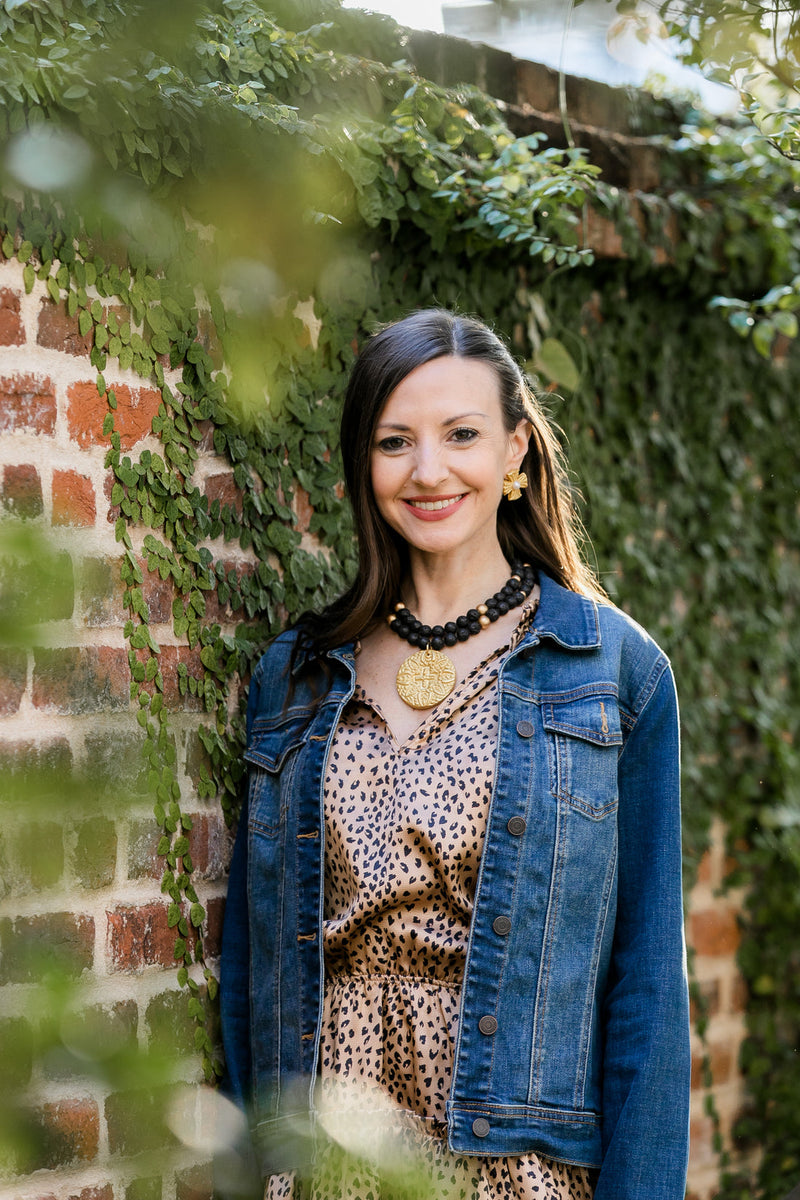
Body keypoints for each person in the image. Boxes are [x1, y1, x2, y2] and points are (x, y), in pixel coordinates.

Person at [220, 309, 691, 1200]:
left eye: (462, 435)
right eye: (396, 441)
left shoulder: (613, 673)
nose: (428, 471)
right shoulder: (298, 674)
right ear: (365, 463)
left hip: (512, 1164)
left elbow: (648, 996)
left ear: (515, 451)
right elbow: (250, 969)